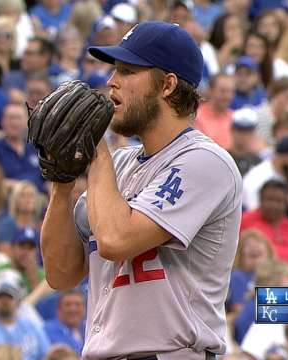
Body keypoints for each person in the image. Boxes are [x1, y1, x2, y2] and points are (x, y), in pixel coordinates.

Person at [42, 21, 242, 359]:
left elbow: (117, 240)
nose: (111, 82)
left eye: (127, 70)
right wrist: (61, 185)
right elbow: (60, 274)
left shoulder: (206, 162)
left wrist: (96, 147)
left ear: (167, 85)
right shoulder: (119, 164)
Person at [0, 275, 51, 360]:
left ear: (18, 302)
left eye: (9, 297)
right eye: (0, 297)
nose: (4, 301)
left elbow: (47, 354)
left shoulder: (31, 326)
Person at [43, 289, 85, 355]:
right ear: (58, 310)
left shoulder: (88, 328)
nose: (73, 309)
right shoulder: (49, 330)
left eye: (78, 304)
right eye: (68, 305)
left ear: (84, 309)